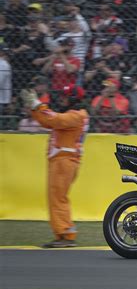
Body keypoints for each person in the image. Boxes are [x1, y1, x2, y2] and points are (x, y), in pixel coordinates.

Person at [20, 83, 89, 248]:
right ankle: (63, 234)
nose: (62, 99)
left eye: (65, 96)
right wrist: (33, 107)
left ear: (73, 98)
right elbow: (47, 121)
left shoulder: (77, 116)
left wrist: (37, 104)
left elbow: (53, 119)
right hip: (62, 161)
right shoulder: (74, 114)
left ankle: (66, 234)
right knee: (57, 198)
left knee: (58, 198)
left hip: (65, 161)